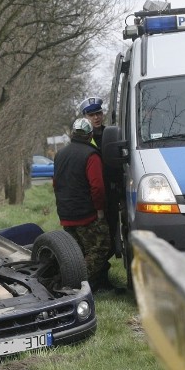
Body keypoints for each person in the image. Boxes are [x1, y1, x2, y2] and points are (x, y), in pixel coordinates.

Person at [53, 117, 113, 292]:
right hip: (87, 214)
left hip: (66, 213)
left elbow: (56, 184)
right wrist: (100, 209)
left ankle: (95, 285)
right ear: (89, 135)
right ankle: (72, 283)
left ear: (73, 134)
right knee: (101, 247)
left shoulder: (60, 155)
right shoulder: (91, 155)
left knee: (77, 252)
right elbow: (98, 187)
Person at [79, 96, 121, 265]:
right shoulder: (84, 138)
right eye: (91, 115)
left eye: (98, 113)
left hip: (111, 189)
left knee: (112, 231)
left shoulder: (111, 133)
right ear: (85, 117)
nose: (96, 117)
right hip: (92, 192)